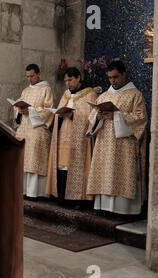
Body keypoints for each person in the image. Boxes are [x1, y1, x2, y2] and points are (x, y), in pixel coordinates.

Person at [86, 60, 147, 215]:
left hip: (124, 145)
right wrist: (98, 116)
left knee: (120, 174)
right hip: (104, 143)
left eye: (116, 77)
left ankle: (124, 210)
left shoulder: (135, 95)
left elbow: (140, 119)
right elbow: (91, 118)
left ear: (124, 74)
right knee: (105, 172)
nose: (112, 80)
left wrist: (117, 116)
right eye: (110, 78)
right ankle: (104, 207)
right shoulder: (104, 96)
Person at [45, 67, 98, 208]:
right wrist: (60, 115)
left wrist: (73, 115)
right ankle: (61, 197)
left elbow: (92, 117)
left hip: (79, 140)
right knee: (62, 166)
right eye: (66, 81)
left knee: (74, 166)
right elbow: (57, 113)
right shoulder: (66, 94)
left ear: (78, 78)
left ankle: (77, 200)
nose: (68, 83)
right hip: (62, 136)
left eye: (70, 80)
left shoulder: (90, 94)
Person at [14, 64, 56, 198]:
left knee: (34, 160)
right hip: (24, 129)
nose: (30, 79)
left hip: (38, 130)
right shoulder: (26, 91)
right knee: (23, 159)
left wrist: (31, 111)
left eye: (32, 76)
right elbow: (17, 106)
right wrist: (19, 111)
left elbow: (49, 109)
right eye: (27, 77)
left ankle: (35, 192)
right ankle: (24, 191)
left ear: (38, 74)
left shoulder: (46, 89)